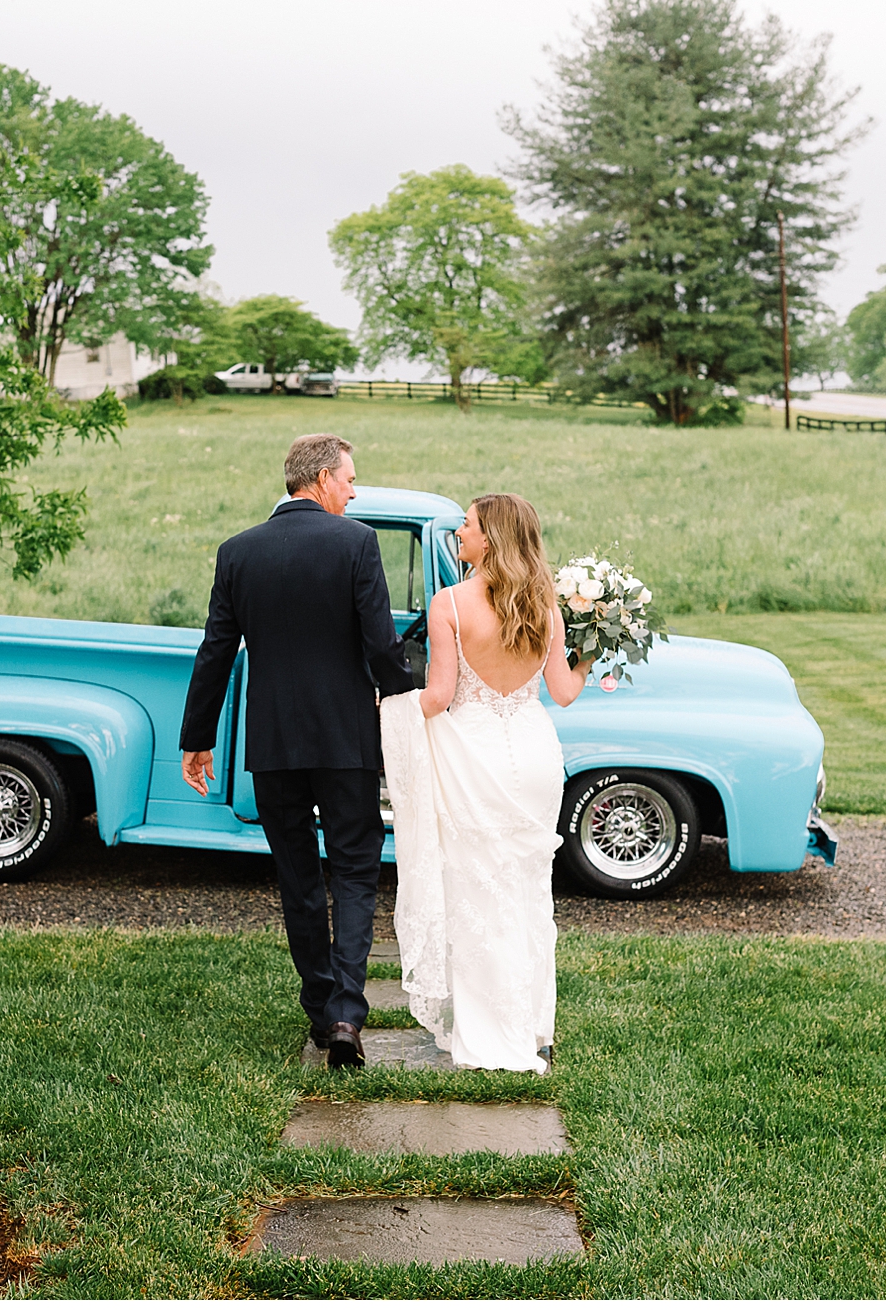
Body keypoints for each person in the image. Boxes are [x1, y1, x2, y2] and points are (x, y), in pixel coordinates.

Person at [178, 433, 413, 1068]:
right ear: (319, 479)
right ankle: (345, 1014)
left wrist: (196, 740)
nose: (355, 491)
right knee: (357, 870)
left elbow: (216, 653)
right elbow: (380, 648)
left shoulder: (238, 552)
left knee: (297, 876)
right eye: (349, 479)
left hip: (274, 743)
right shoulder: (358, 543)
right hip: (346, 742)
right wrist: (412, 698)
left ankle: (319, 1007)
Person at [381, 492, 591, 1073]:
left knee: (475, 892)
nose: (459, 536)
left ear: (490, 540)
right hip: (533, 754)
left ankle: (487, 1032)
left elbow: (440, 698)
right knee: (526, 891)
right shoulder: (545, 605)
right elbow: (565, 692)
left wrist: (382, 706)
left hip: (473, 758)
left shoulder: (449, 604)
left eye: (467, 528)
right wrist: (591, 654)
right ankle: (529, 1027)